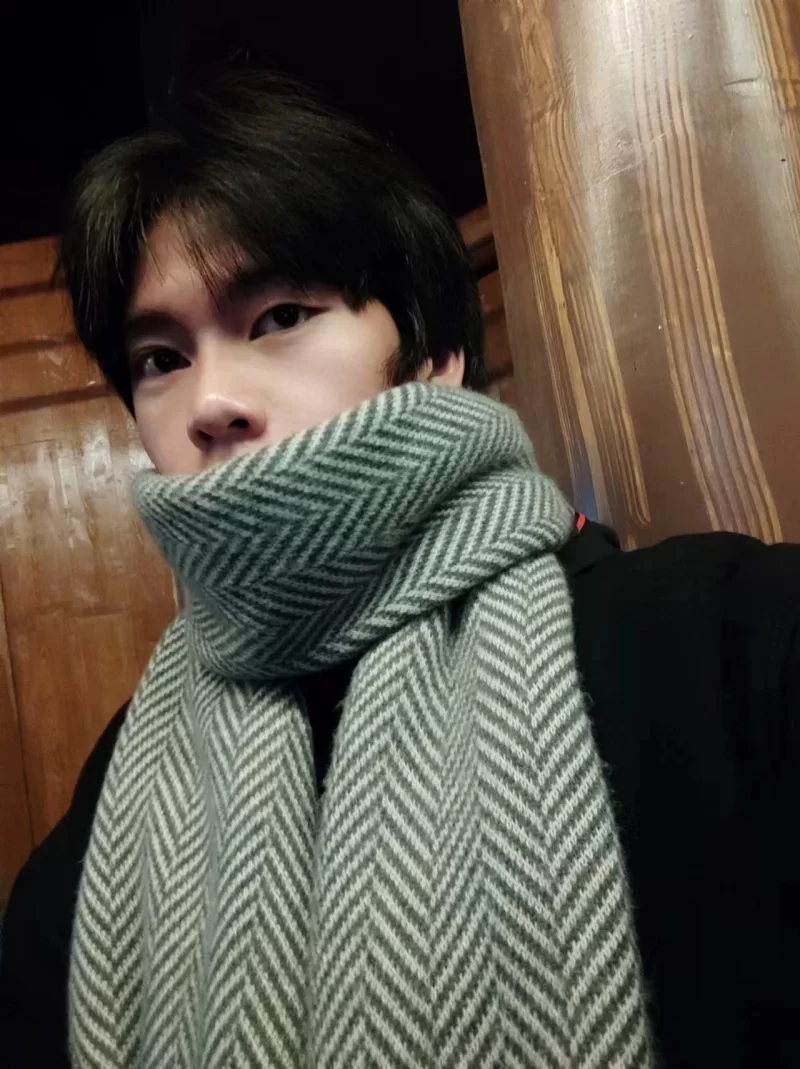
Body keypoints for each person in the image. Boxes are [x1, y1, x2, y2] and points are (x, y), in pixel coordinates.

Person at [1, 71, 798, 1069]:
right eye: (160, 358)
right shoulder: (127, 780)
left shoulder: (724, 639)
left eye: (279, 315)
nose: (208, 402)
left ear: (432, 354)